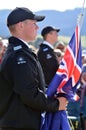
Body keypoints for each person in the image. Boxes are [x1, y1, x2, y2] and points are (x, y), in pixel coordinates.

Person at [0, 7, 68, 130]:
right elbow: (29, 94)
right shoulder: (19, 55)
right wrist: (57, 104)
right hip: (20, 125)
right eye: (34, 24)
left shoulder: (20, 52)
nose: (37, 28)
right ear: (21, 25)